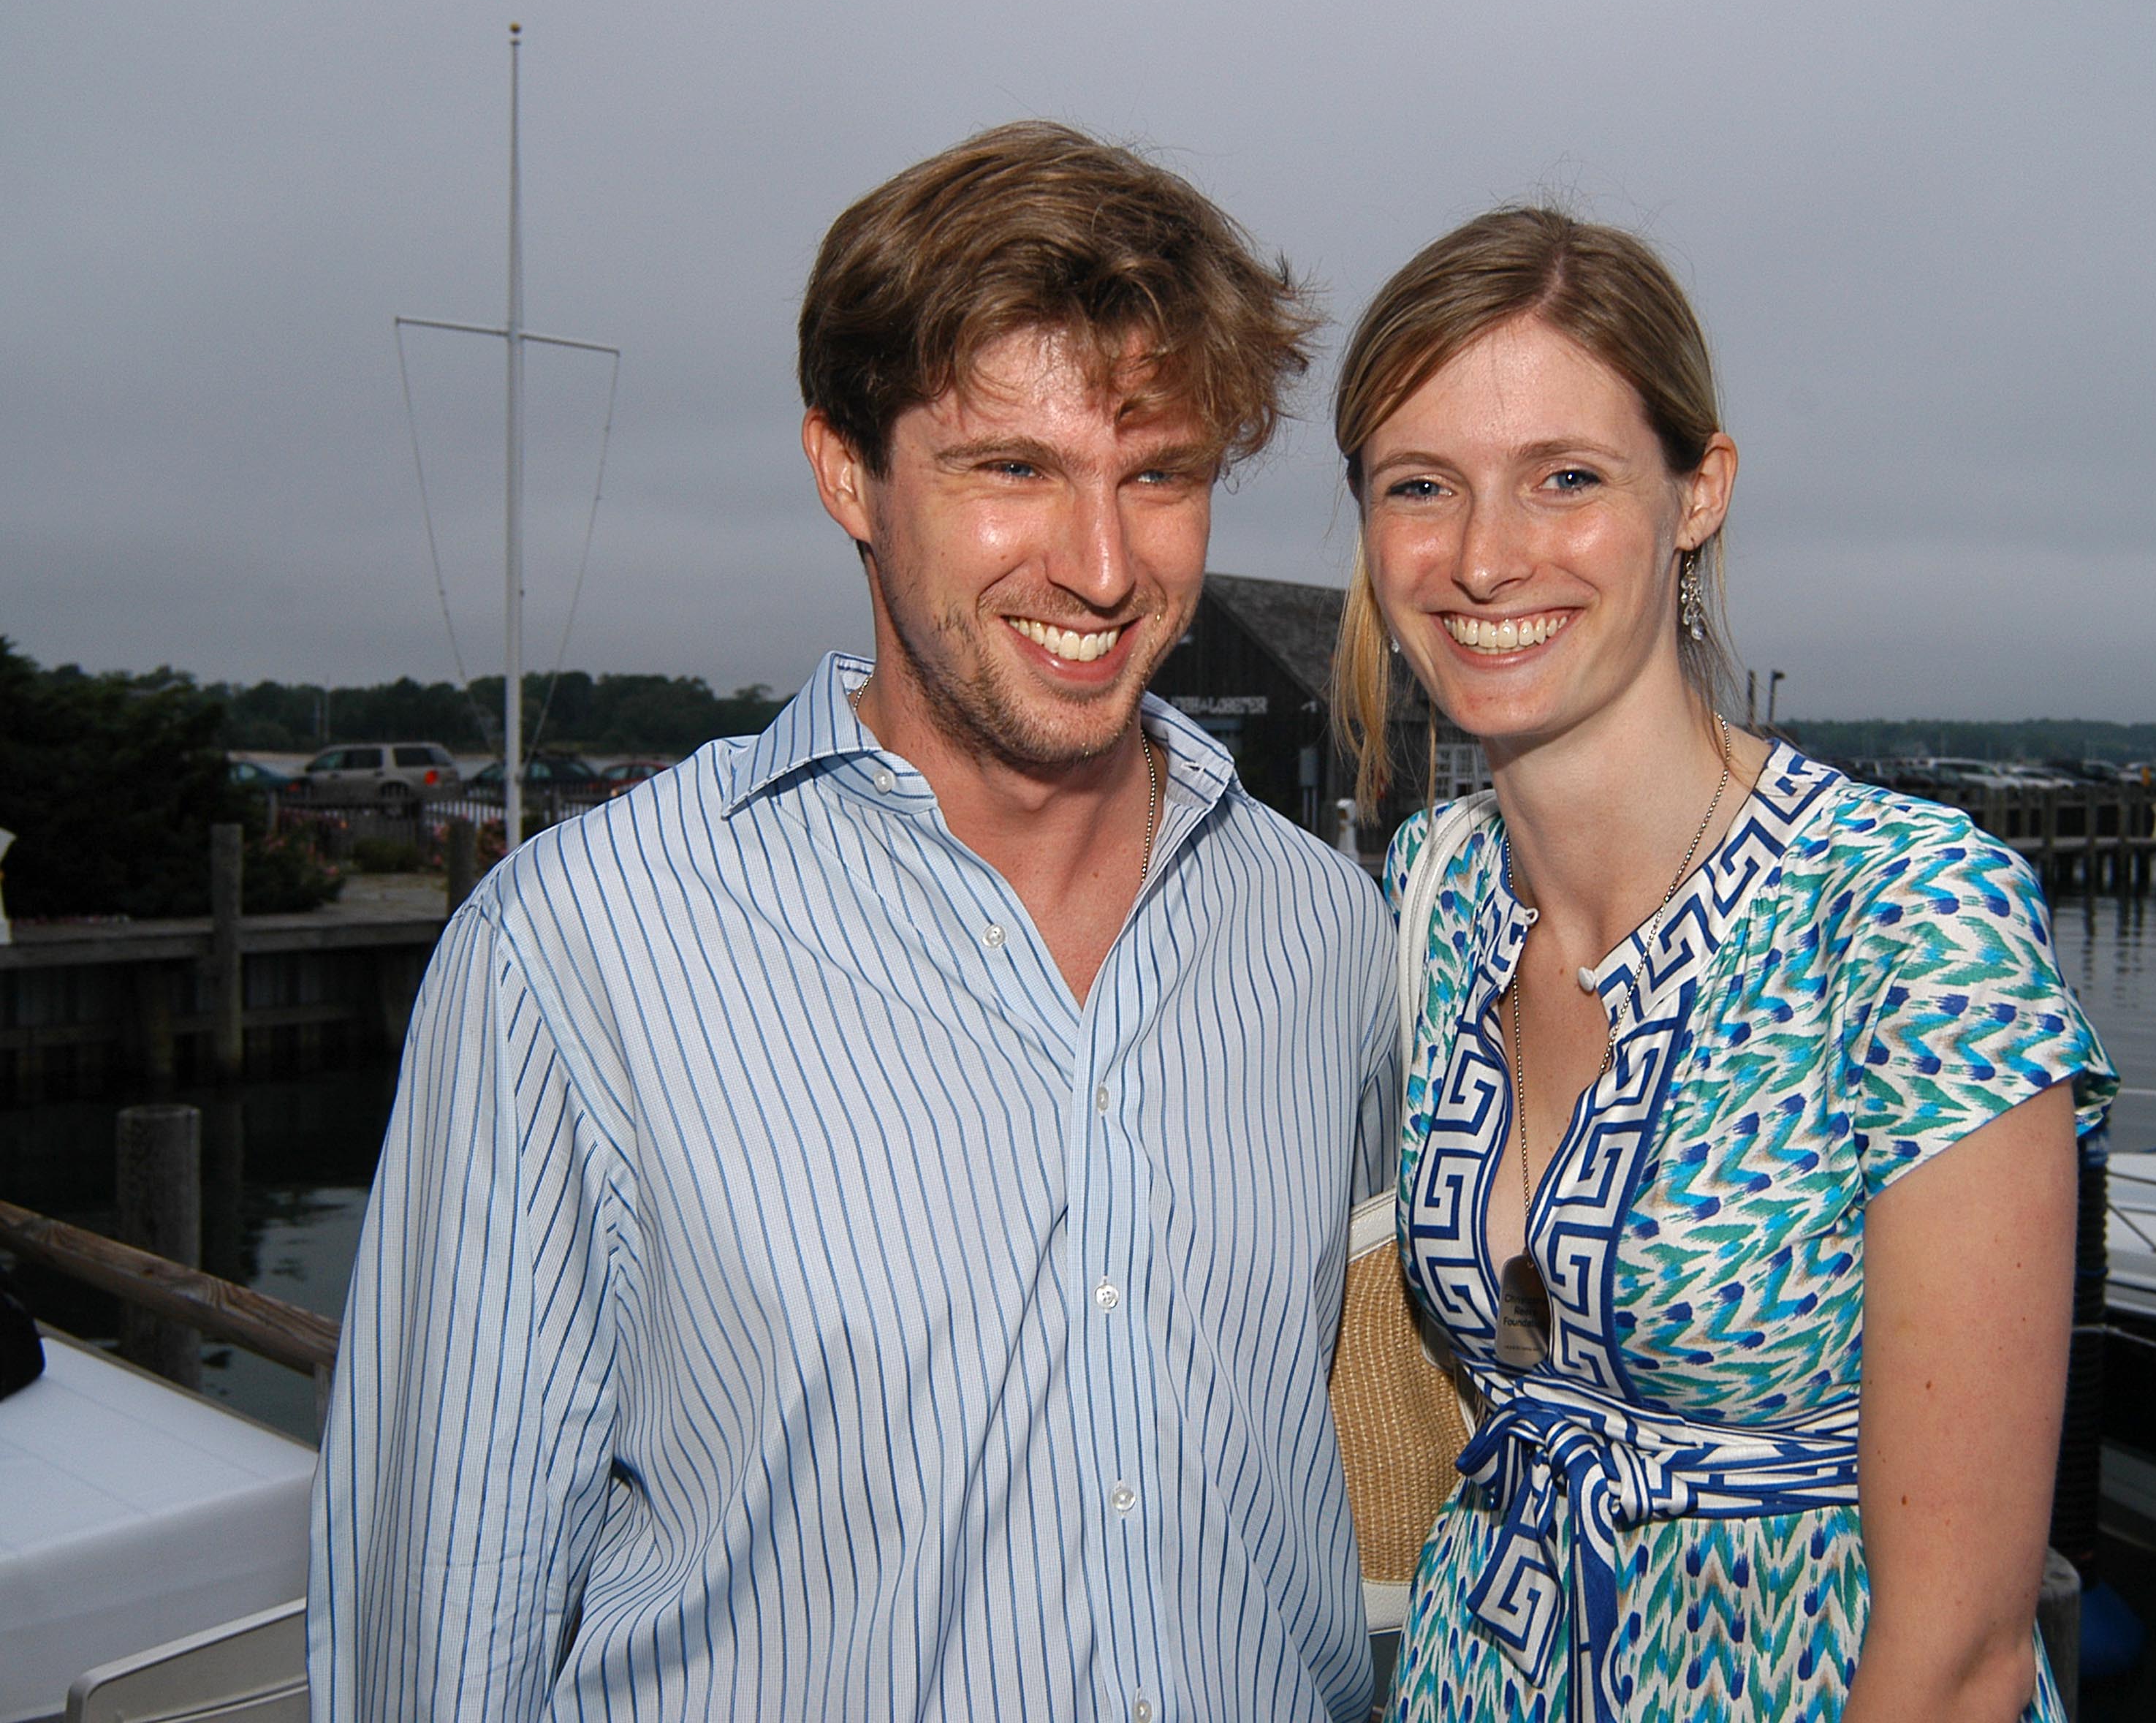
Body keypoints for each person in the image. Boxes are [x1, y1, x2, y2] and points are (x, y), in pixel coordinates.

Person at [311, 122, 1400, 1722]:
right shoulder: (579, 953)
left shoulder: (1324, 937)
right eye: (1012, 468)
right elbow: (439, 1625)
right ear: (847, 472)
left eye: (1157, 474)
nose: (1102, 567)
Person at [1332, 207, 2117, 1722]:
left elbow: (1955, 1658)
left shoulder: (1906, 919)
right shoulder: (1429, 897)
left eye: (1567, 478)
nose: (1487, 558)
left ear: (1699, 494)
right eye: (1422, 486)